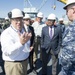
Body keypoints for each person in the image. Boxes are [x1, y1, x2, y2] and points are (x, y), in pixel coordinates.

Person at [1, 8, 32, 75]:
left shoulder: (23, 31)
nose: (19, 22)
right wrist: (20, 43)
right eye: (16, 20)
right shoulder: (6, 33)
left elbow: (25, 47)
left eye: (21, 19)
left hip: (24, 62)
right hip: (14, 65)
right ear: (11, 20)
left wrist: (28, 48)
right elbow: (7, 51)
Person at [59, 0, 75, 75]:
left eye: (67, 10)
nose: (66, 13)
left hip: (70, 70)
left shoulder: (73, 27)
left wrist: (64, 68)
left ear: (74, 10)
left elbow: (69, 56)